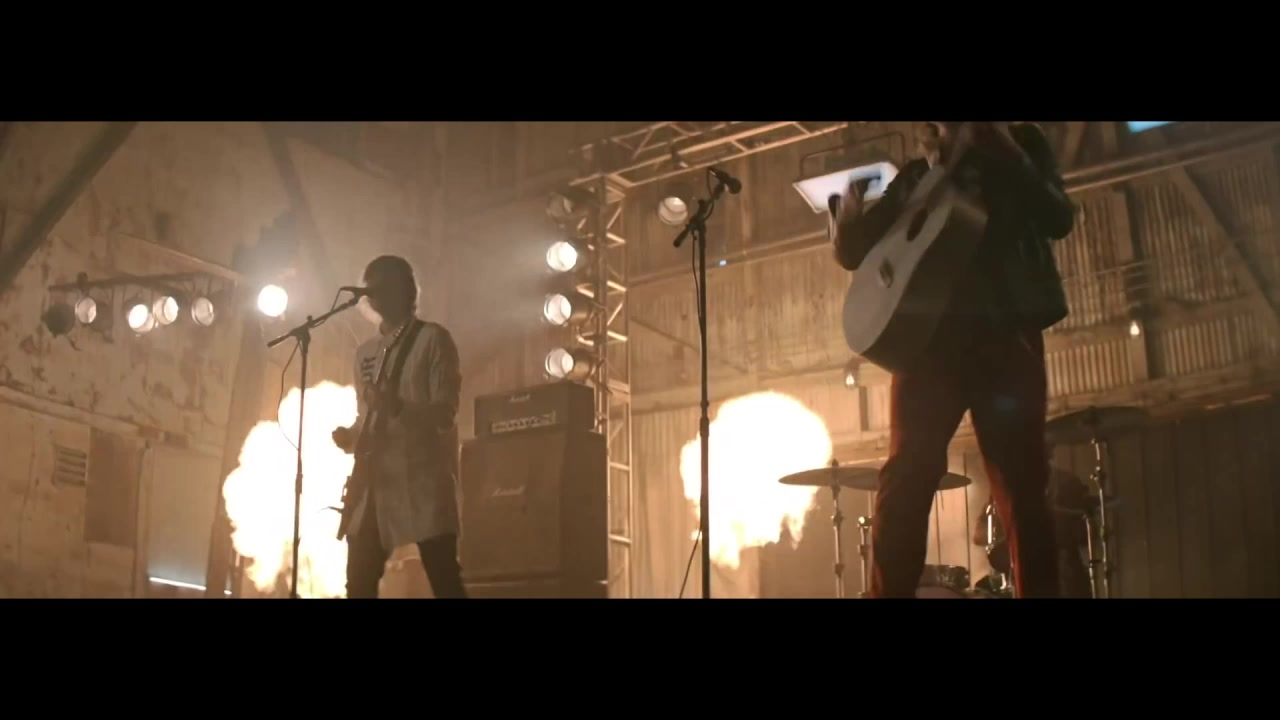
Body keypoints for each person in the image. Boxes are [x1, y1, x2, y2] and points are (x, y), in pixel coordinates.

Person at [831, 121, 1076, 598]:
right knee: (904, 481)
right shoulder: (914, 177)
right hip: (927, 343)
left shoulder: (1021, 143)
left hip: (1005, 332)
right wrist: (846, 224)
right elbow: (856, 253)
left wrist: (1007, 152)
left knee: (1022, 487)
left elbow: (1058, 217)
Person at [330, 254, 468, 599]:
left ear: (405, 290)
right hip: (376, 485)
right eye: (371, 287)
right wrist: (351, 437)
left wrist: (399, 407)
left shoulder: (433, 339)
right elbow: (367, 416)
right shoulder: (364, 353)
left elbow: (445, 413)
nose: (375, 293)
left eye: (383, 284)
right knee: (358, 583)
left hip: (422, 479)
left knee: (444, 579)